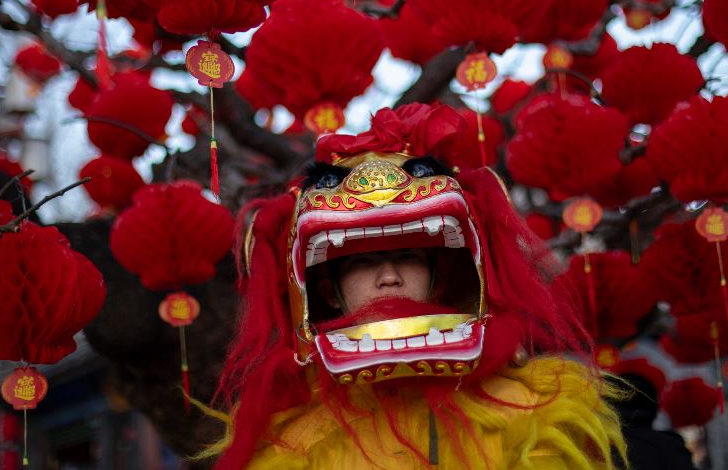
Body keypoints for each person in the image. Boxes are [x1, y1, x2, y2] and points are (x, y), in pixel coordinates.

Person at [204, 103, 626, 469]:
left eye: (407, 256)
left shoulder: (532, 407)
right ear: (328, 289)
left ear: (438, 275)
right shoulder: (290, 433)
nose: (390, 276)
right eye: (364, 261)